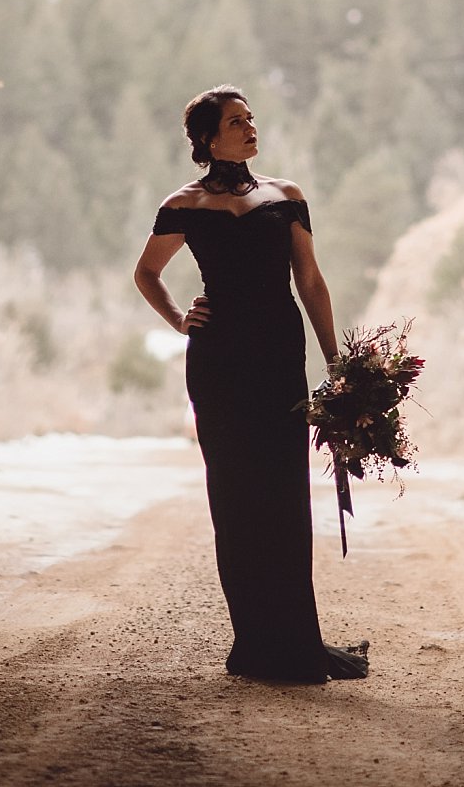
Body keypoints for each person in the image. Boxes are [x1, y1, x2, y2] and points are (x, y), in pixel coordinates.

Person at [133, 84, 369, 684]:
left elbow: (311, 283)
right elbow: (147, 273)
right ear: (210, 138)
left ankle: (295, 641)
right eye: (237, 122)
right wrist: (181, 320)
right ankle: (255, 644)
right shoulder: (183, 204)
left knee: (285, 494)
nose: (250, 127)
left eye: (251, 119)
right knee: (234, 498)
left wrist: (334, 360)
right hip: (218, 363)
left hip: (278, 357)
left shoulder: (285, 196)